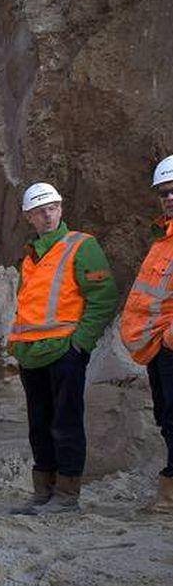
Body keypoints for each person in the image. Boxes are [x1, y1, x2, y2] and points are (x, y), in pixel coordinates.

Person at [9, 183, 118, 514]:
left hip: (64, 352)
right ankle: (43, 490)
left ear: (60, 208)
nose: (47, 214)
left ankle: (67, 494)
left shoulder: (81, 246)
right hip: (31, 353)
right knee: (39, 425)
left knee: (65, 422)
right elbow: (27, 306)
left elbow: (103, 297)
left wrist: (80, 344)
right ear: (29, 216)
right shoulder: (29, 259)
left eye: (52, 207)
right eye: (40, 210)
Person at [120, 156, 173, 513]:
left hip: (168, 342)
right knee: (167, 416)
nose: (168, 198)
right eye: (163, 193)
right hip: (158, 346)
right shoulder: (162, 242)